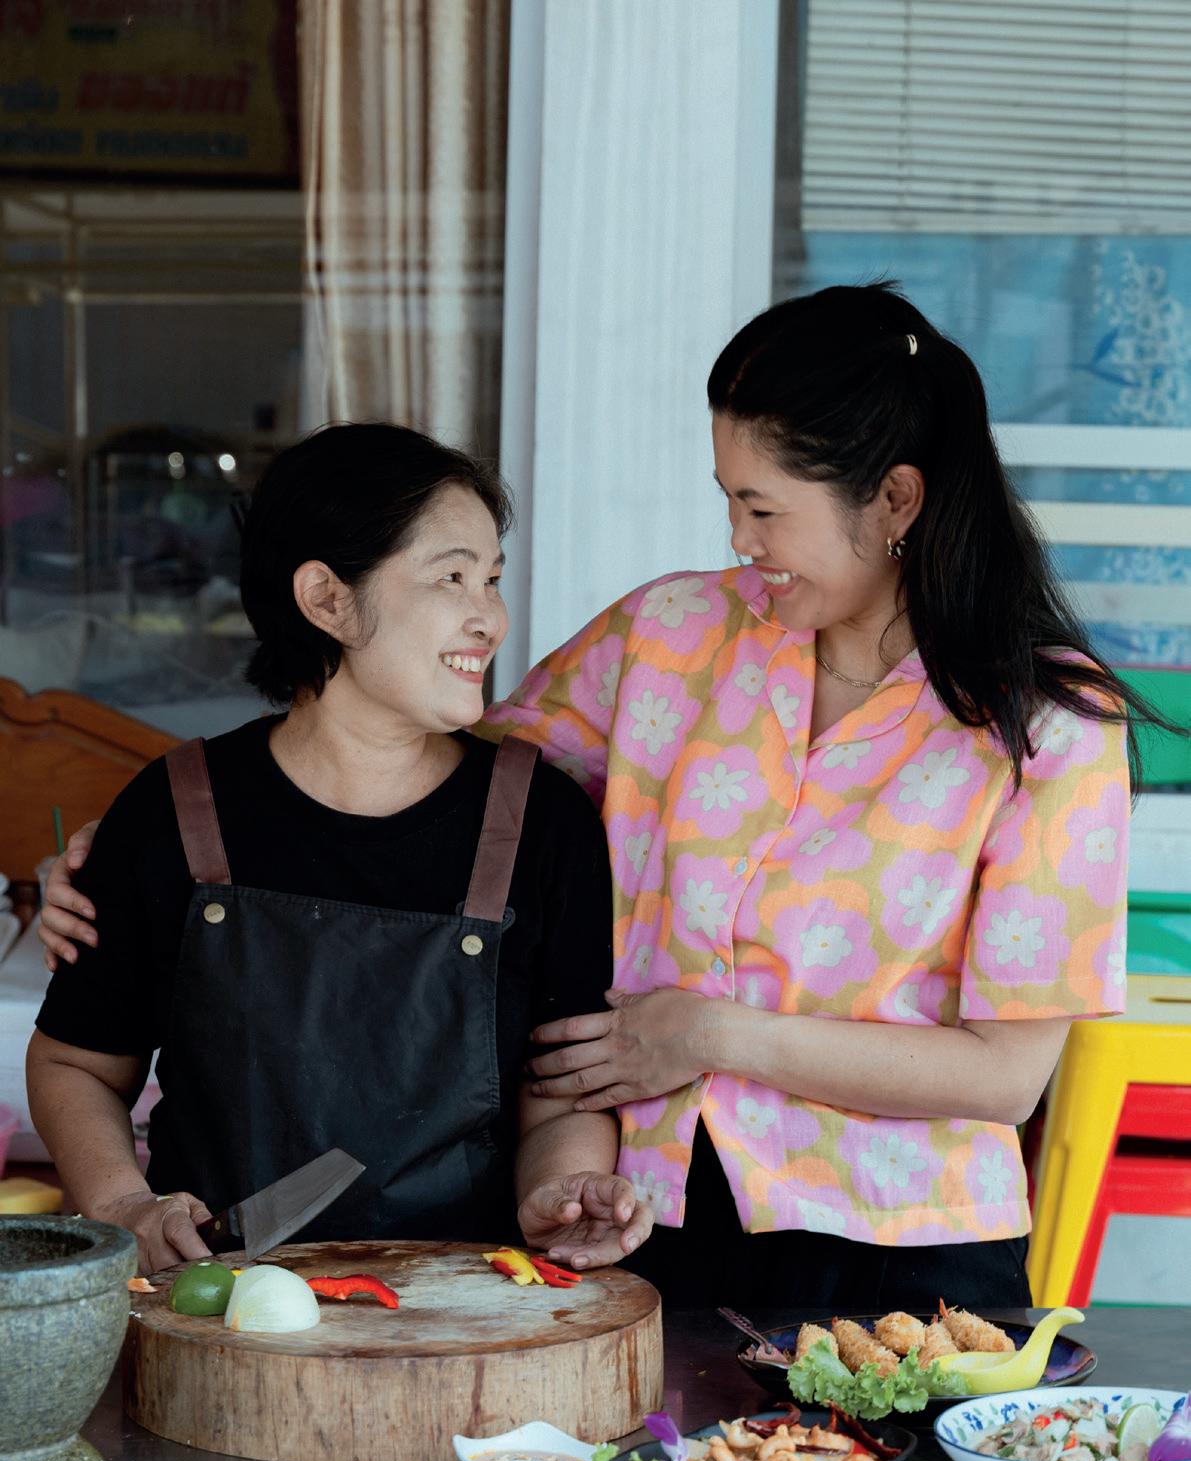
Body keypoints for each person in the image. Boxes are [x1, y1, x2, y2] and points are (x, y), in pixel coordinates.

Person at [42, 284, 1157, 1310]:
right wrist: (144, 845)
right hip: (648, 1226)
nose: (738, 541)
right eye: (727, 501)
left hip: (909, 1249)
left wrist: (713, 1035)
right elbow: (422, 773)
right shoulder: (670, 634)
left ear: (896, 498)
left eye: (763, 509)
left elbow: (1006, 1075)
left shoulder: (1046, 726)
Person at [28, 424, 652, 1275]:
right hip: (217, 1308)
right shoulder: (173, 810)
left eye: (492, 579)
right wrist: (123, 1205)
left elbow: (562, 1095)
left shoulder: (542, 821)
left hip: (467, 1312)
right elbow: (74, 1062)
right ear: (326, 599)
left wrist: (562, 1188)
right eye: (452, 576)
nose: (490, 618)